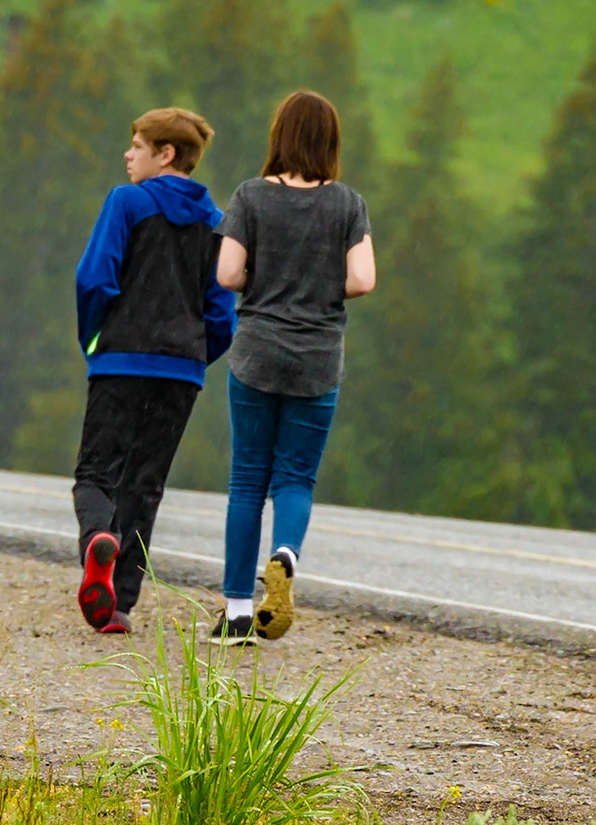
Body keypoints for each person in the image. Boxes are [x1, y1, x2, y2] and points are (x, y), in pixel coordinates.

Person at [210, 91, 375, 644]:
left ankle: (237, 612)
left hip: (256, 351)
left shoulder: (250, 196)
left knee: (246, 480)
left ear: (278, 135)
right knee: (295, 477)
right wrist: (319, 287)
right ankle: (285, 554)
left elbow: (227, 274)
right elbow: (363, 279)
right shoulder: (347, 203)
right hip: (317, 358)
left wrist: (267, 280)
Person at [71, 108, 236, 634]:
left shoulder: (127, 201)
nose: (128, 154)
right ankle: (119, 603)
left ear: (166, 154)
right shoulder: (217, 222)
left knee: (96, 475)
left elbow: (94, 278)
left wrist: (95, 340)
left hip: (120, 359)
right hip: (181, 371)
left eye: (138, 146)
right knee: (145, 485)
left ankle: (98, 538)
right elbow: (222, 311)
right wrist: (195, 355)